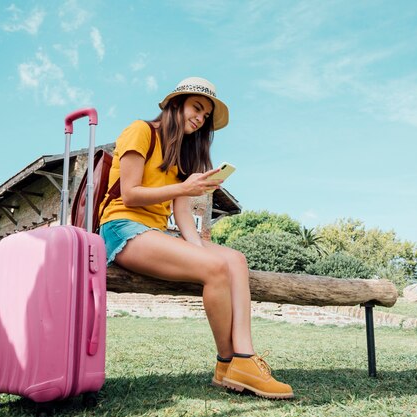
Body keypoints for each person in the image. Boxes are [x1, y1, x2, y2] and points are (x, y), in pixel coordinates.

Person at [98, 77, 294, 400]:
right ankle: (228, 361)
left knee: (235, 261)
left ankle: (244, 355)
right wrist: (186, 189)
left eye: (204, 116)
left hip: (155, 233)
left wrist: (199, 248)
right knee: (215, 269)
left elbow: (183, 214)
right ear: (177, 104)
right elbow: (131, 195)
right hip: (122, 227)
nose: (200, 118)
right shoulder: (141, 131)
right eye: (197, 108)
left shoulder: (178, 155)